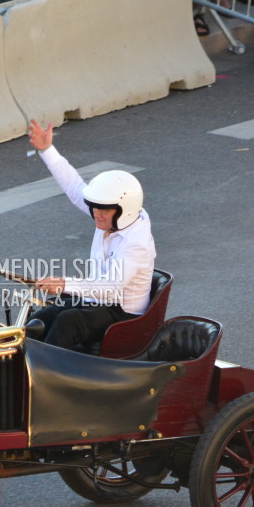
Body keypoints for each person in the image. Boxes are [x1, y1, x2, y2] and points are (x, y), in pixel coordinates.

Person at [25, 120, 156, 351]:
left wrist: (65, 283)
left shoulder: (136, 244)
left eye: (102, 210)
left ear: (122, 209)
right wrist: (47, 150)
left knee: (68, 321)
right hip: (98, 300)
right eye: (94, 207)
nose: (95, 214)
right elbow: (75, 188)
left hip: (123, 312)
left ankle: (46, 377)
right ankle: (17, 363)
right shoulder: (109, 215)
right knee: (44, 315)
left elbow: (110, 288)